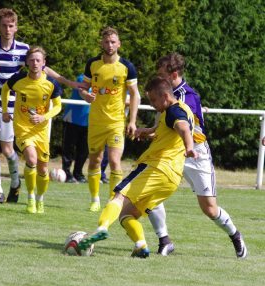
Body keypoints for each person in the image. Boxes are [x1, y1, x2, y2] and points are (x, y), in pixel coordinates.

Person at [0, 8, 81, 204]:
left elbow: (42, 68)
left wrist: (69, 83)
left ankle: (14, 184)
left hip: (14, 108)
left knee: (8, 150)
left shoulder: (23, 49)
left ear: (16, 28)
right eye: (4, 25)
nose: (7, 29)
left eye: (11, 26)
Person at [78, 77, 197, 257]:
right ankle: (141, 246)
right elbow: (167, 132)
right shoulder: (181, 108)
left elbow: (183, 128)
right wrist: (147, 133)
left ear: (165, 96)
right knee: (127, 215)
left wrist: (189, 147)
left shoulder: (174, 111)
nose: (152, 105)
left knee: (118, 196)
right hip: (171, 179)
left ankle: (101, 228)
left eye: (154, 100)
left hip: (157, 168)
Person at [144, 53, 247, 258]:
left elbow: (182, 127)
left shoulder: (188, 97)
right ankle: (164, 240)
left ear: (173, 74)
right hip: (170, 152)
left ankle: (235, 235)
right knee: (148, 190)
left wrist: (153, 132)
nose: (159, 78)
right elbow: (164, 127)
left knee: (209, 209)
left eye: (162, 74)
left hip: (195, 153)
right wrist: (148, 132)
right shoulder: (164, 94)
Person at [79, 26, 140, 212]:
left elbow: (135, 95)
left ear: (119, 44)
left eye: (113, 41)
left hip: (116, 122)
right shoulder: (93, 64)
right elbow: (83, 88)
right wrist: (85, 95)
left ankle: (112, 200)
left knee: (114, 161)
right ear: (101, 43)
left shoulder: (127, 67)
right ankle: (94, 198)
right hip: (96, 122)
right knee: (95, 161)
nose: (110, 45)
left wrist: (132, 121)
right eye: (106, 41)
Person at [1, 46, 63, 214]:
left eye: (38, 60)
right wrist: (5, 110)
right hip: (22, 128)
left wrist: (44, 117)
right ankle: (30, 198)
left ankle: (40, 199)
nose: (35, 63)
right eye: (32, 60)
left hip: (41, 131)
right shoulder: (18, 79)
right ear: (27, 62)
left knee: (43, 169)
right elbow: (5, 89)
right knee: (32, 159)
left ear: (43, 63)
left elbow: (58, 106)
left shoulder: (51, 83)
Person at [62, 74, 89, 183]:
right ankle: (67, 173)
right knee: (69, 148)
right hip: (73, 118)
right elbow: (82, 93)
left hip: (89, 119)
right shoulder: (82, 78)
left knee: (84, 150)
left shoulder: (102, 81)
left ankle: (78, 174)